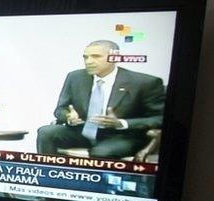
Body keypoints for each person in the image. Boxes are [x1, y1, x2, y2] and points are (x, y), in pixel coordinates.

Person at [36, 40, 165, 159]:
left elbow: (160, 119)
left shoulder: (144, 83)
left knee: (101, 152)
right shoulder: (75, 77)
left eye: (96, 56)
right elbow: (60, 109)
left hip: (121, 136)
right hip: (82, 131)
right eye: (86, 57)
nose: (89, 61)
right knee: (46, 132)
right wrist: (68, 117)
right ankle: (49, 175)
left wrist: (121, 123)